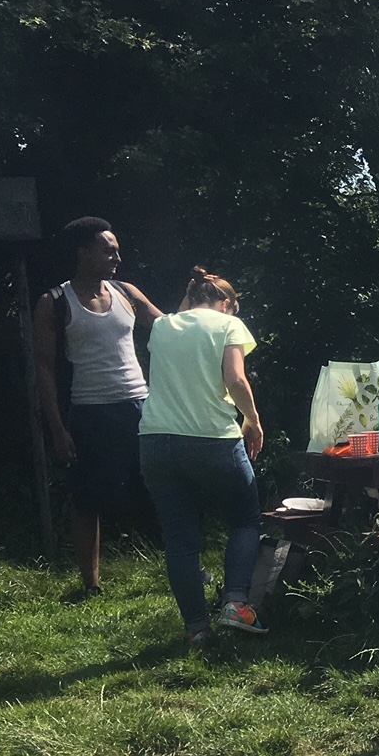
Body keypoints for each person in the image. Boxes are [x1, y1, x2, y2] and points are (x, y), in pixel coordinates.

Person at [32, 216, 165, 600]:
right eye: (108, 250)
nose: (116, 258)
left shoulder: (126, 292)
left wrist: (203, 309)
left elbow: (169, 328)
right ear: (83, 253)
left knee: (165, 486)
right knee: (87, 498)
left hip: (141, 405)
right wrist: (58, 429)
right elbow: (43, 368)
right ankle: (91, 584)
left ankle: (186, 563)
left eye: (117, 250)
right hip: (90, 412)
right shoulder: (54, 303)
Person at [137, 268, 267, 643]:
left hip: (156, 441)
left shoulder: (164, 326)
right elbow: (235, 378)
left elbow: (182, 315)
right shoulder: (229, 325)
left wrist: (191, 288)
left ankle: (197, 630)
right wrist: (253, 420)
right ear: (227, 304)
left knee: (180, 538)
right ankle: (236, 604)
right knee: (244, 517)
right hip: (212, 440)